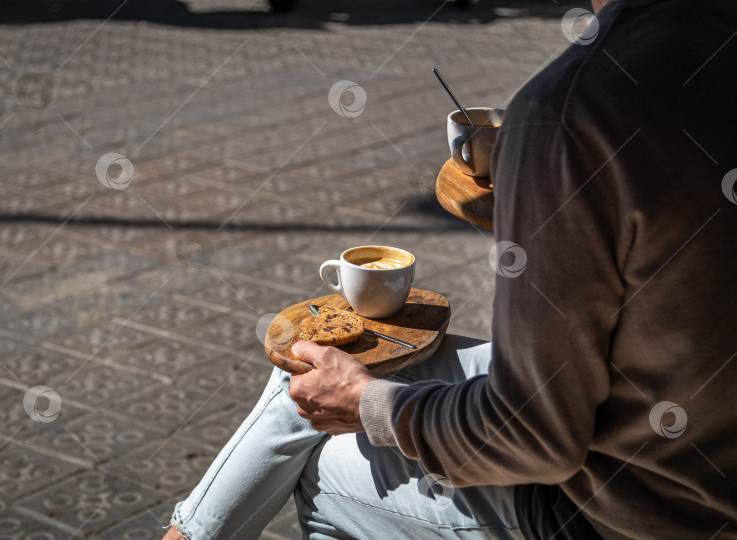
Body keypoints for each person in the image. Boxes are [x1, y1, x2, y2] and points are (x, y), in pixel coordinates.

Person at [162, 0, 737, 537]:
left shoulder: (577, 107)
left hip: (636, 513)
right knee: (318, 372)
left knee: (322, 463)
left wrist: (368, 405)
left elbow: (536, 435)